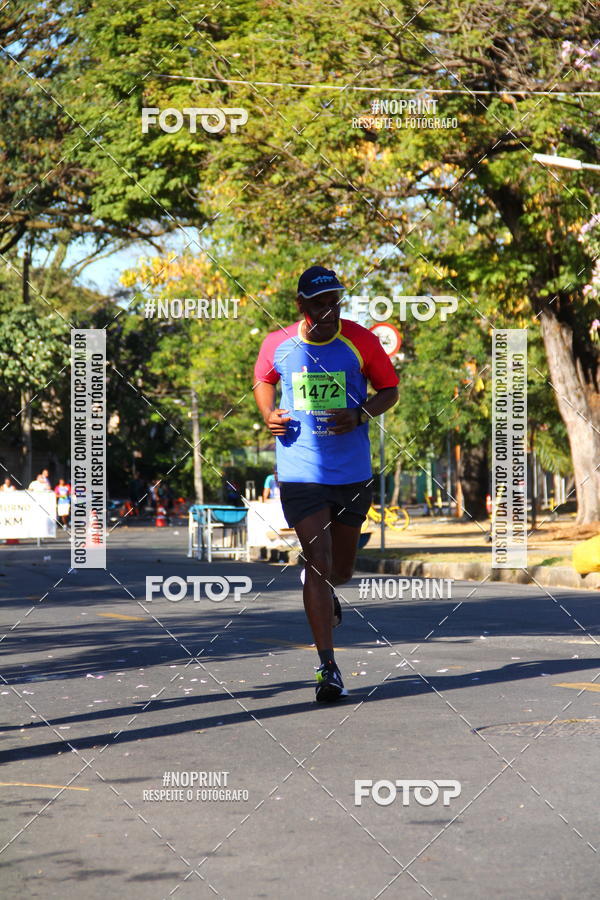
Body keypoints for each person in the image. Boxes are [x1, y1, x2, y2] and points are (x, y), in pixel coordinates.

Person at [254, 265, 399, 702]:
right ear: (301, 305)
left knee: (341, 569)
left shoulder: (360, 341)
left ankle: (325, 588)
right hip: (299, 470)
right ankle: (329, 667)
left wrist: (360, 413)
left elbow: (390, 389)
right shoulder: (278, 343)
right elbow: (263, 381)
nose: (328, 311)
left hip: (352, 472)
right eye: (319, 303)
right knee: (318, 560)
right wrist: (268, 414)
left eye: (335, 301)